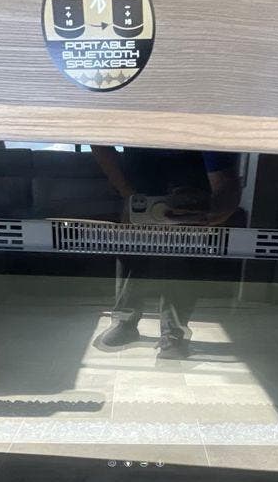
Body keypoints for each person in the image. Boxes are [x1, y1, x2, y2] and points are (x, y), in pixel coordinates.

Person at [90, 146, 242, 359]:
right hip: (140, 165)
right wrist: (128, 194)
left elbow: (224, 180)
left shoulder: (212, 138)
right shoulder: (119, 127)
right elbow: (100, 145)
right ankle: (125, 323)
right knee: (132, 247)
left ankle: (173, 334)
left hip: (192, 174)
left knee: (183, 253)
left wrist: (212, 215)